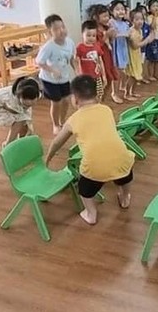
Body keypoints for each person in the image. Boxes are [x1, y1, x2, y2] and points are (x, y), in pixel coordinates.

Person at [45, 75, 135, 225]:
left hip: (94, 168)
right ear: (96, 94)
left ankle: (91, 213)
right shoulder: (106, 110)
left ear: (75, 99)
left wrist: (48, 159)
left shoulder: (73, 120)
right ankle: (125, 198)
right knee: (125, 175)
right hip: (122, 160)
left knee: (84, 189)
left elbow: (56, 143)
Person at [36, 14, 76, 133]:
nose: (61, 31)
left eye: (63, 27)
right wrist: (52, 70)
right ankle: (55, 125)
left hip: (64, 78)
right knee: (56, 102)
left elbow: (72, 59)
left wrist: (77, 71)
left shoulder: (70, 42)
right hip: (49, 80)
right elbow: (39, 62)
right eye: (56, 29)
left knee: (66, 101)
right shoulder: (48, 47)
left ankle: (62, 121)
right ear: (50, 32)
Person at [0, 77, 41, 147]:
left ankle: (20, 143)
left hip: (9, 106)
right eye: (26, 104)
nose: (30, 103)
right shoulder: (12, 100)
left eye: (32, 101)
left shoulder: (35, 93)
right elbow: (16, 112)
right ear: (19, 96)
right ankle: (8, 144)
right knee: (21, 121)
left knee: (25, 125)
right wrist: (7, 108)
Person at [89, 4, 123, 104]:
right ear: (95, 17)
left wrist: (111, 36)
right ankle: (97, 101)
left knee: (109, 78)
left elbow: (109, 42)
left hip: (108, 56)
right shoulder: (93, 31)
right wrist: (107, 35)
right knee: (101, 81)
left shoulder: (106, 27)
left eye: (108, 16)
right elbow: (95, 46)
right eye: (104, 16)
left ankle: (102, 100)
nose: (107, 18)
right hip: (100, 58)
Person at [125, 8, 154, 99]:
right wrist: (147, 40)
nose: (140, 21)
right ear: (132, 20)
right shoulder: (132, 32)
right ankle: (127, 94)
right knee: (132, 76)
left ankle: (132, 92)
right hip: (132, 57)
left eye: (141, 19)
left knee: (137, 75)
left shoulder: (140, 30)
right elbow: (135, 46)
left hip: (137, 55)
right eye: (137, 19)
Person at [109, 0, 135, 101]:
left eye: (122, 9)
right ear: (111, 11)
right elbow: (113, 35)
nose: (120, 11)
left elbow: (129, 34)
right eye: (117, 9)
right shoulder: (111, 22)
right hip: (115, 50)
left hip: (123, 49)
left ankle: (121, 86)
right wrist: (126, 34)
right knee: (116, 72)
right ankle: (114, 93)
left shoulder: (125, 23)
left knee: (123, 70)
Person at [75, 19, 106, 101]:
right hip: (86, 78)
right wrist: (78, 74)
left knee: (99, 94)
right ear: (82, 34)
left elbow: (100, 61)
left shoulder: (97, 46)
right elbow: (76, 61)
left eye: (93, 35)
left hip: (97, 76)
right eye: (88, 35)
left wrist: (104, 75)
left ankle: (97, 105)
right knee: (86, 96)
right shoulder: (80, 47)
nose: (91, 38)